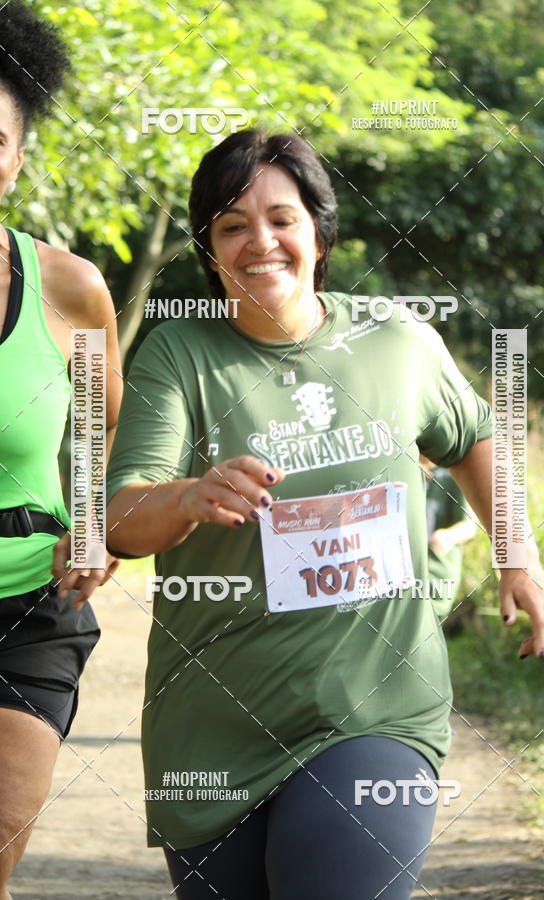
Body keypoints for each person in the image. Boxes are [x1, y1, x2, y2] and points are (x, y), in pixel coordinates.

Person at [106, 129, 544, 900]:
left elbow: (476, 432)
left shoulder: (394, 339)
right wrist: (187, 495)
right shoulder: (178, 352)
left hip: (375, 707)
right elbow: (122, 518)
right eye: (232, 225)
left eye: (282, 218)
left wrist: (518, 556)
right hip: (216, 720)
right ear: (209, 247)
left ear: (319, 232)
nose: (261, 242)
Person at [0, 4, 121, 897]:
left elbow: (99, 434)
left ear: (18, 158)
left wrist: (90, 527)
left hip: (27, 612)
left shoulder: (69, 290)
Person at [421, 455, 477, 619]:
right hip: (403, 581)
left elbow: (469, 527)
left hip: (436, 578)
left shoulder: (453, 473)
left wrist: (447, 535)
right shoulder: (405, 470)